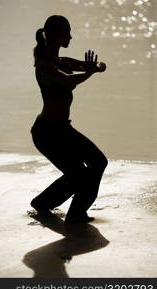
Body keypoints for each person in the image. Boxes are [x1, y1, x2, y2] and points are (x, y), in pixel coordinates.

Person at [30, 15, 108, 224]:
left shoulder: (62, 61)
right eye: (67, 32)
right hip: (46, 133)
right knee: (78, 174)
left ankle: (76, 212)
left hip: (63, 130)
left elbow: (87, 66)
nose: (71, 37)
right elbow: (67, 81)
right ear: (55, 35)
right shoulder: (44, 66)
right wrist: (90, 72)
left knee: (98, 162)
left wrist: (97, 66)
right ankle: (43, 203)